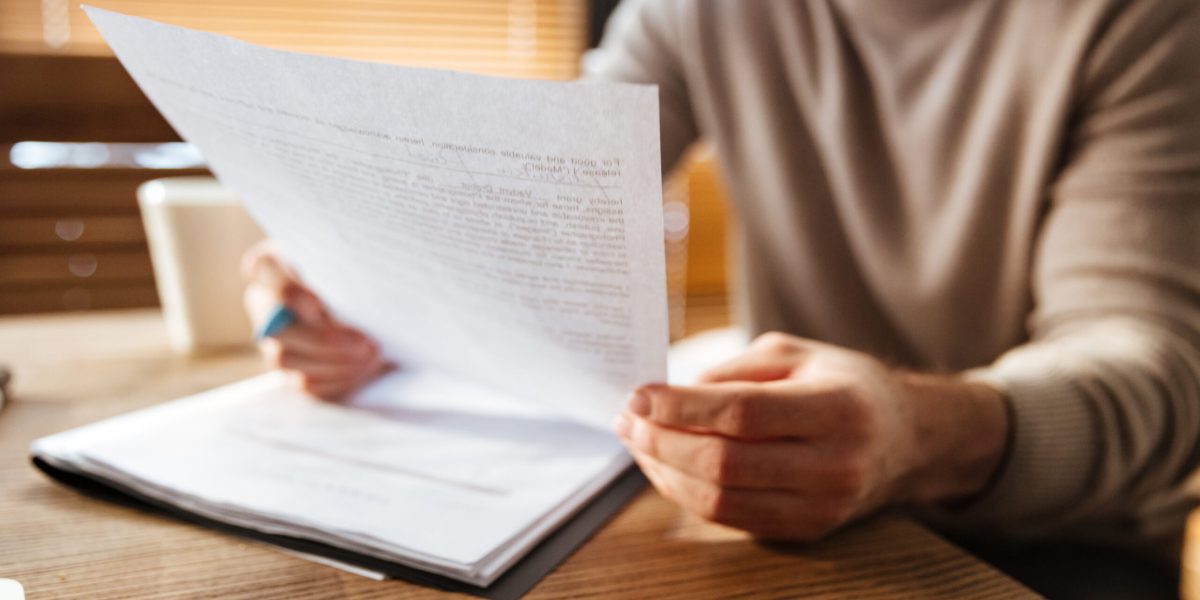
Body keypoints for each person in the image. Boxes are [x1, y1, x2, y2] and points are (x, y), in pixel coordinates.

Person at [243, 1, 1200, 595]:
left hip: (1048, 548)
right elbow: (530, 199)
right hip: (771, 532)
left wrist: (915, 434)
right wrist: (354, 267)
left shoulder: (1146, 21)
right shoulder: (696, 10)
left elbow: (1153, 363)